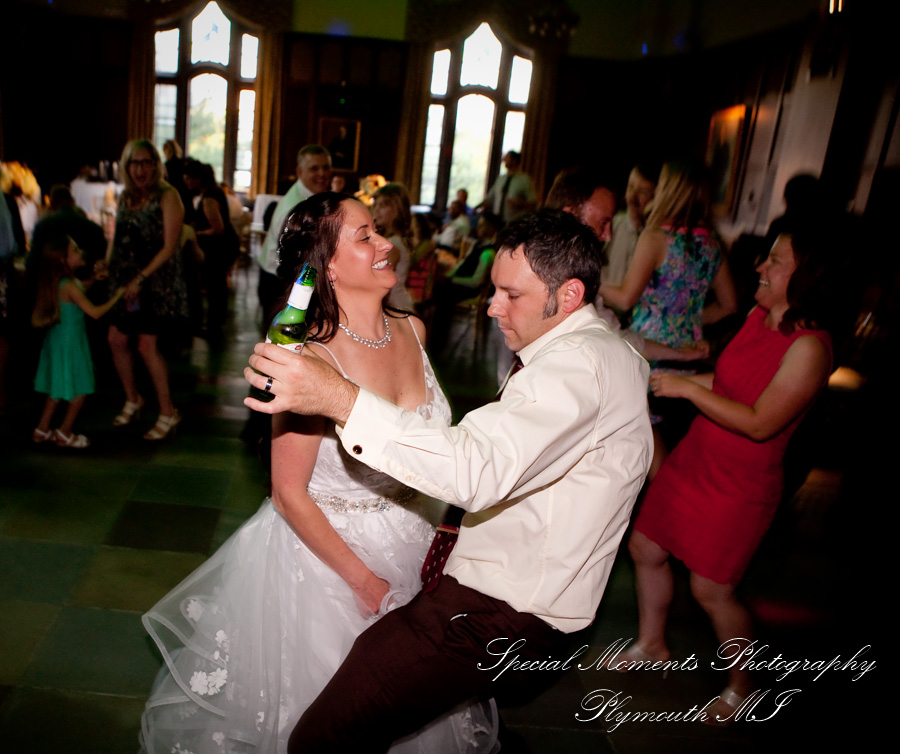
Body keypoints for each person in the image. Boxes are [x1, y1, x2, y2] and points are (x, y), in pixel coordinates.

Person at [244, 209, 653, 752]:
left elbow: (474, 467)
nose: (491, 307)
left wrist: (339, 398)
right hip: (479, 577)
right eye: (494, 291)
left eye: (511, 294)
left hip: (503, 607)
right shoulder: (606, 350)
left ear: (570, 295)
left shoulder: (573, 368)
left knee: (328, 733)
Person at [139, 192, 497, 754]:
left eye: (379, 230)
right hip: (327, 561)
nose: (386, 245)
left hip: (413, 541)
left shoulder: (414, 331)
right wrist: (366, 584)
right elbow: (287, 494)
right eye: (365, 237)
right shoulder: (307, 360)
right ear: (328, 265)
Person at [621, 229, 835, 725]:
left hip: (739, 484)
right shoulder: (759, 318)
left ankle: (744, 686)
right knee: (646, 548)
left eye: (775, 261)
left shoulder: (810, 349)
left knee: (711, 591)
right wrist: (658, 382)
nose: (760, 267)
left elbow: (761, 422)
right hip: (697, 459)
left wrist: (686, 392)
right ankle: (652, 643)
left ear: (807, 276)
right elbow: (725, 380)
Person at [598, 159, 738, 476]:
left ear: (670, 190)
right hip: (689, 357)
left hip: (649, 355)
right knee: (666, 447)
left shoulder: (656, 238)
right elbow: (729, 305)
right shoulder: (712, 243)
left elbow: (625, 296)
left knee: (636, 450)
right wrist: (686, 321)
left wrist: (584, 279)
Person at [544, 166, 709, 364]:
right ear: (570, 217)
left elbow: (618, 336)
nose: (608, 235)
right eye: (603, 223)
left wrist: (683, 354)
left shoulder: (581, 281)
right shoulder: (526, 267)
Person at [106, 139, 188, 440]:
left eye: (146, 162)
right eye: (135, 163)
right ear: (127, 167)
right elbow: (116, 237)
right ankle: (133, 398)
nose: (141, 169)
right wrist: (106, 264)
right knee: (115, 339)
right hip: (126, 280)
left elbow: (169, 247)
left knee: (146, 345)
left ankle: (168, 411)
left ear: (156, 165)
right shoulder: (126, 196)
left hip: (155, 281)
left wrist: (140, 278)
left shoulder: (168, 195)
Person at [31, 236, 127, 447]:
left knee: (55, 390)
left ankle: (42, 428)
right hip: (72, 343)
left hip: (57, 341)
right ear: (63, 260)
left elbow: (79, 290)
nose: (80, 251)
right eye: (74, 250)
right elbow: (94, 313)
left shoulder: (60, 282)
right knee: (81, 388)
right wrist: (118, 296)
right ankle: (65, 432)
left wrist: (94, 277)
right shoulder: (69, 285)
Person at [257, 145, 332, 322]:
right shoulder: (296, 207)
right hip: (279, 283)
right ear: (299, 171)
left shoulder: (310, 196)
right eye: (314, 168)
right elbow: (294, 258)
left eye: (326, 167)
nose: (322, 174)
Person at [182, 159, 240, 343]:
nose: (188, 184)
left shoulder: (208, 198)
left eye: (190, 179)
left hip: (218, 248)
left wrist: (195, 232)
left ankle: (213, 327)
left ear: (198, 179)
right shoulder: (215, 192)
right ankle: (215, 325)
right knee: (218, 287)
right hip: (223, 246)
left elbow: (218, 228)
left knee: (215, 288)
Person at [602, 161, 660, 290]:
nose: (632, 197)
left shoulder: (657, 238)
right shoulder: (612, 224)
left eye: (642, 192)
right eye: (631, 187)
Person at [370, 182, 415, 311]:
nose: (376, 209)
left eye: (383, 205)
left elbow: (382, 282)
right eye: (375, 204)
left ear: (398, 210)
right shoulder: (391, 240)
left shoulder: (392, 245)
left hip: (395, 307)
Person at [480, 151, 537, 225]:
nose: (504, 160)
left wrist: (520, 203)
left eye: (507, 158)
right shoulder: (501, 179)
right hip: (495, 222)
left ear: (514, 161)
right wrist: (477, 207)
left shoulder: (524, 180)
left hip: (513, 223)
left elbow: (533, 203)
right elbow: (490, 198)